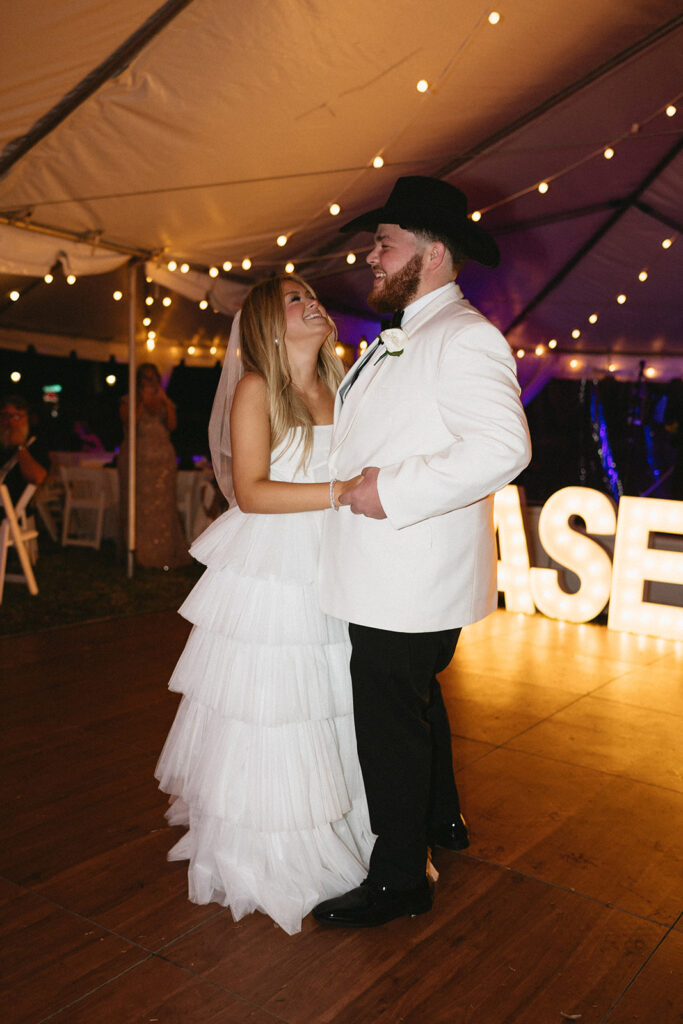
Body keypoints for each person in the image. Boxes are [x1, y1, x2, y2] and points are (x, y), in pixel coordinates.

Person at [313, 176, 532, 928]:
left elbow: (504, 448)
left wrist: (389, 491)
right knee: (414, 700)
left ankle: (401, 878)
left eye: (385, 243)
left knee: (388, 721)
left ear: (433, 255)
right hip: (394, 571)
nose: (370, 256)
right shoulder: (409, 330)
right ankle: (442, 819)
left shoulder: (464, 335)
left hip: (405, 570)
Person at [154, 275, 374, 935]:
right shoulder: (257, 389)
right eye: (295, 300)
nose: (314, 304)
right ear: (267, 327)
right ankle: (271, 851)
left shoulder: (343, 387)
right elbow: (249, 491)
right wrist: (341, 491)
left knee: (333, 697)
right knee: (278, 705)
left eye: (313, 295)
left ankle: (345, 829)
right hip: (278, 568)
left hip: (337, 562)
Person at [118, 362, 190, 568]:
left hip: (162, 463)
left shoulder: (164, 400)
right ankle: (139, 553)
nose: (149, 381)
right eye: (145, 377)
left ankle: (162, 552)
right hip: (137, 461)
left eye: (152, 378)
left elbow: (173, 425)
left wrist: (165, 401)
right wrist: (141, 400)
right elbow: (129, 423)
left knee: (162, 506)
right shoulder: (129, 401)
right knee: (139, 507)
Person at [0, 394, 49, 506]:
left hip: (12, 509)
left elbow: (37, 477)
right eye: (6, 416)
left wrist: (19, 446)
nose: (11, 423)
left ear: (26, 419)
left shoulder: (36, 444)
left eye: (17, 417)